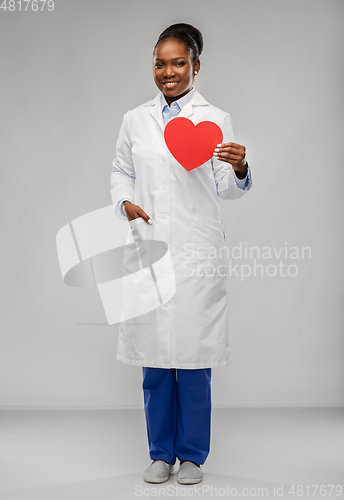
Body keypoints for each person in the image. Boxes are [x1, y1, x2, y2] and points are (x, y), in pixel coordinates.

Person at [110, 23, 252, 485]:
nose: (167, 72)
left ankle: (191, 456)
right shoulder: (135, 119)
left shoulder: (216, 118)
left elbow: (226, 189)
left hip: (195, 253)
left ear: (195, 65)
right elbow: (121, 170)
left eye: (177, 63)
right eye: (159, 63)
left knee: (193, 362)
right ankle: (159, 453)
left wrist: (241, 167)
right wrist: (123, 202)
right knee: (155, 361)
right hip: (150, 250)